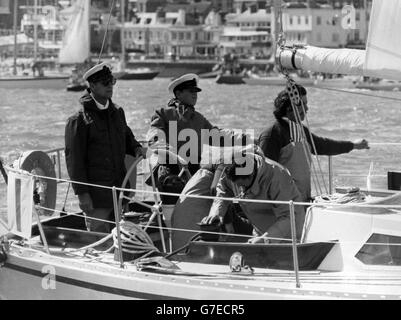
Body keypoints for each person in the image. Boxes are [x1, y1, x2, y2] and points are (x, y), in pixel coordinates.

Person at [64, 62, 145, 233]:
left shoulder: (117, 113)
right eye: (105, 83)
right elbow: (74, 161)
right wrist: (82, 194)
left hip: (119, 191)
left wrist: (136, 147)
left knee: (121, 240)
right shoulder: (78, 120)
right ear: (92, 86)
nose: (110, 86)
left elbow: (126, 135)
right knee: (99, 241)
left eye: (112, 82)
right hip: (96, 197)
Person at [258, 84, 369, 202]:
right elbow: (264, 177)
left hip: (302, 201)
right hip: (284, 206)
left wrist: (353, 145)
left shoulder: (301, 130)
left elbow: (323, 145)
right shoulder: (272, 134)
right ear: (289, 106)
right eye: (303, 104)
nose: (306, 108)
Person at [146, 73, 247, 202]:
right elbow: (154, 134)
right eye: (191, 91)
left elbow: (217, 136)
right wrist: (165, 149)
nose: (195, 94)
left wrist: (244, 138)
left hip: (194, 170)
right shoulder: (163, 114)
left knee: (219, 182)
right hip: (170, 169)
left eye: (196, 91)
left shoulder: (199, 119)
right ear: (178, 93)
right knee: (172, 189)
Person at [202, 153, 305, 243]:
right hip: (259, 231)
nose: (240, 190)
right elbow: (223, 190)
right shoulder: (232, 170)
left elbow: (288, 216)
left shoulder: (277, 177)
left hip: (288, 234)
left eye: (242, 185)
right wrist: (216, 213)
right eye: (236, 185)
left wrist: (266, 239)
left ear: (251, 175)